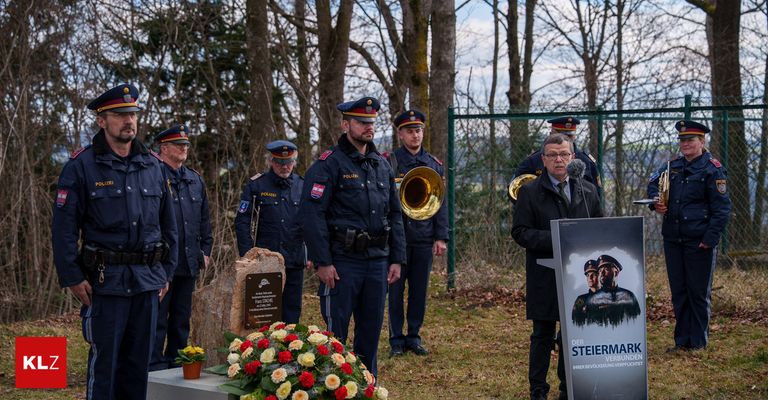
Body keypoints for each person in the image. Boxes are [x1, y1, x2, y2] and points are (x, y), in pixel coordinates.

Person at [51, 84, 178, 400]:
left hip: (147, 282)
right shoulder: (82, 166)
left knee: (139, 368)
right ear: (101, 120)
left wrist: (167, 271)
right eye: (119, 115)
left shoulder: (152, 165)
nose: (128, 121)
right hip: (105, 284)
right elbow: (64, 228)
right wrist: (73, 276)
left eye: (132, 114)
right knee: (105, 366)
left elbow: (169, 225)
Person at [298, 96, 406, 378]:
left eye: (371, 122)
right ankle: (332, 387)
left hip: (377, 261)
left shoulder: (381, 165)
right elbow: (312, 216)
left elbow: (395, 214)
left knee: (370, 332)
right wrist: (322, 261)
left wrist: (397, 258)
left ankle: (366, 385)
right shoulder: (328, 165)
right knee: (335, 336)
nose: (368, 127)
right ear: (346, 124)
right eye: (361, 122)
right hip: (343, 262)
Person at [511, 133, 603, 400]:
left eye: (564, 154)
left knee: (572, 332)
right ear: (544, 160)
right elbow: (520, 232)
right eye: (552, 155)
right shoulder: (529, 192)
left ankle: (568, 388)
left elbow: (599, 225)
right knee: (542, 332)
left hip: (580, 276)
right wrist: (557, 237)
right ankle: (538, 389)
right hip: (544, 273)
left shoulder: (588, 191)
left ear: (573, 158)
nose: (559, 159)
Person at [647, 120, 731, 352]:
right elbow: (653, 185)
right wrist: (656, 203)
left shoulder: (712, 169)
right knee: (679, 292)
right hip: (673, 238)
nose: (685, 144)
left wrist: (710, 239)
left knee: (698, 292)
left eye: (690, 140)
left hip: (699, 241)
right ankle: (682, 341)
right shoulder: (672, 165)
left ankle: (698, 342)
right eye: (682, 140)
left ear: (701, 142)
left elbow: (722, 209)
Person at [385, 109, 448, 357]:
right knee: (396, 291)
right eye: (410, 131)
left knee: (419, 291)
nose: (415, 135)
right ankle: (396, 340)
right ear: (400, 134)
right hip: (396, 239)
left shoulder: (434, 165)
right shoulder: (389, 162)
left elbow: (440, 203)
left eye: (419, 130)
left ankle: (413, 336)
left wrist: (441, 236)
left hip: (423, 236)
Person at [150, 124, 213, 371]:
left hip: (188, 261)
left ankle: (176, 364)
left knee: (180, 319)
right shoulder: (154, 176)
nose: (184, 149)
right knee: (157, 319)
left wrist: (205, 251)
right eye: (179, 145)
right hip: (162, 262)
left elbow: (204, 221)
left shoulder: (194, 180)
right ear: (164, 148)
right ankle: (153, 366)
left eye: (186, 145)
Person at [234, 140, 308, 324]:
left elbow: (311, 222)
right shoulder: (257, 185)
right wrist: (248, 254)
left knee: (291, 313)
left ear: (295, 161)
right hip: (265, 260)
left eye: (289, 162)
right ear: (271, 162)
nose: (285, 167)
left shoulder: (302, 185)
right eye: (280, 163)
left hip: (294, 258)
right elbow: (242, 221)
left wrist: (311, 253)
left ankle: (289, 350)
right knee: (263, 314)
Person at [514, 116, 600, 188]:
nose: (564, 140)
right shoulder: (533, 160)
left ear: (574, 136)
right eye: (560, 135)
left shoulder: (586, 161)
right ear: (550, 133)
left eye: (569, 136)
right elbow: (516, 189)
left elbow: (595, 196)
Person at [582, 254, 641, 327]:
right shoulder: (592, 300)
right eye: (600, 271)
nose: (602, 273)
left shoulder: (629, 296)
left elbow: (637, 322)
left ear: (616, 272)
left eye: (606, 269)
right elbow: (588, 327)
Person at [571, 259, 600, 327]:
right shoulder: (581, 299)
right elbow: (575, 321)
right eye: (587, 275)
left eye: (593, 274)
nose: (590, 278)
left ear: (599, 275)